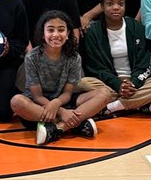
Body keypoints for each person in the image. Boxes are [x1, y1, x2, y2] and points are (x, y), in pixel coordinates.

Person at [13, 11, 111, 146]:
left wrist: (58, 104)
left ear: (68, 33)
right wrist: (62, 112)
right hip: (39, 106)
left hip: (65, 100)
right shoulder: (32, 57)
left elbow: (67, 93)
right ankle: (77, 123)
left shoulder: (74, 57)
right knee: (17, 101)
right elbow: (36, 96)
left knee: (105, 93)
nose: (56, 34)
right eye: (50, 30)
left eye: (61, 30)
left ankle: (58, 129)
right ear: (43, 33)